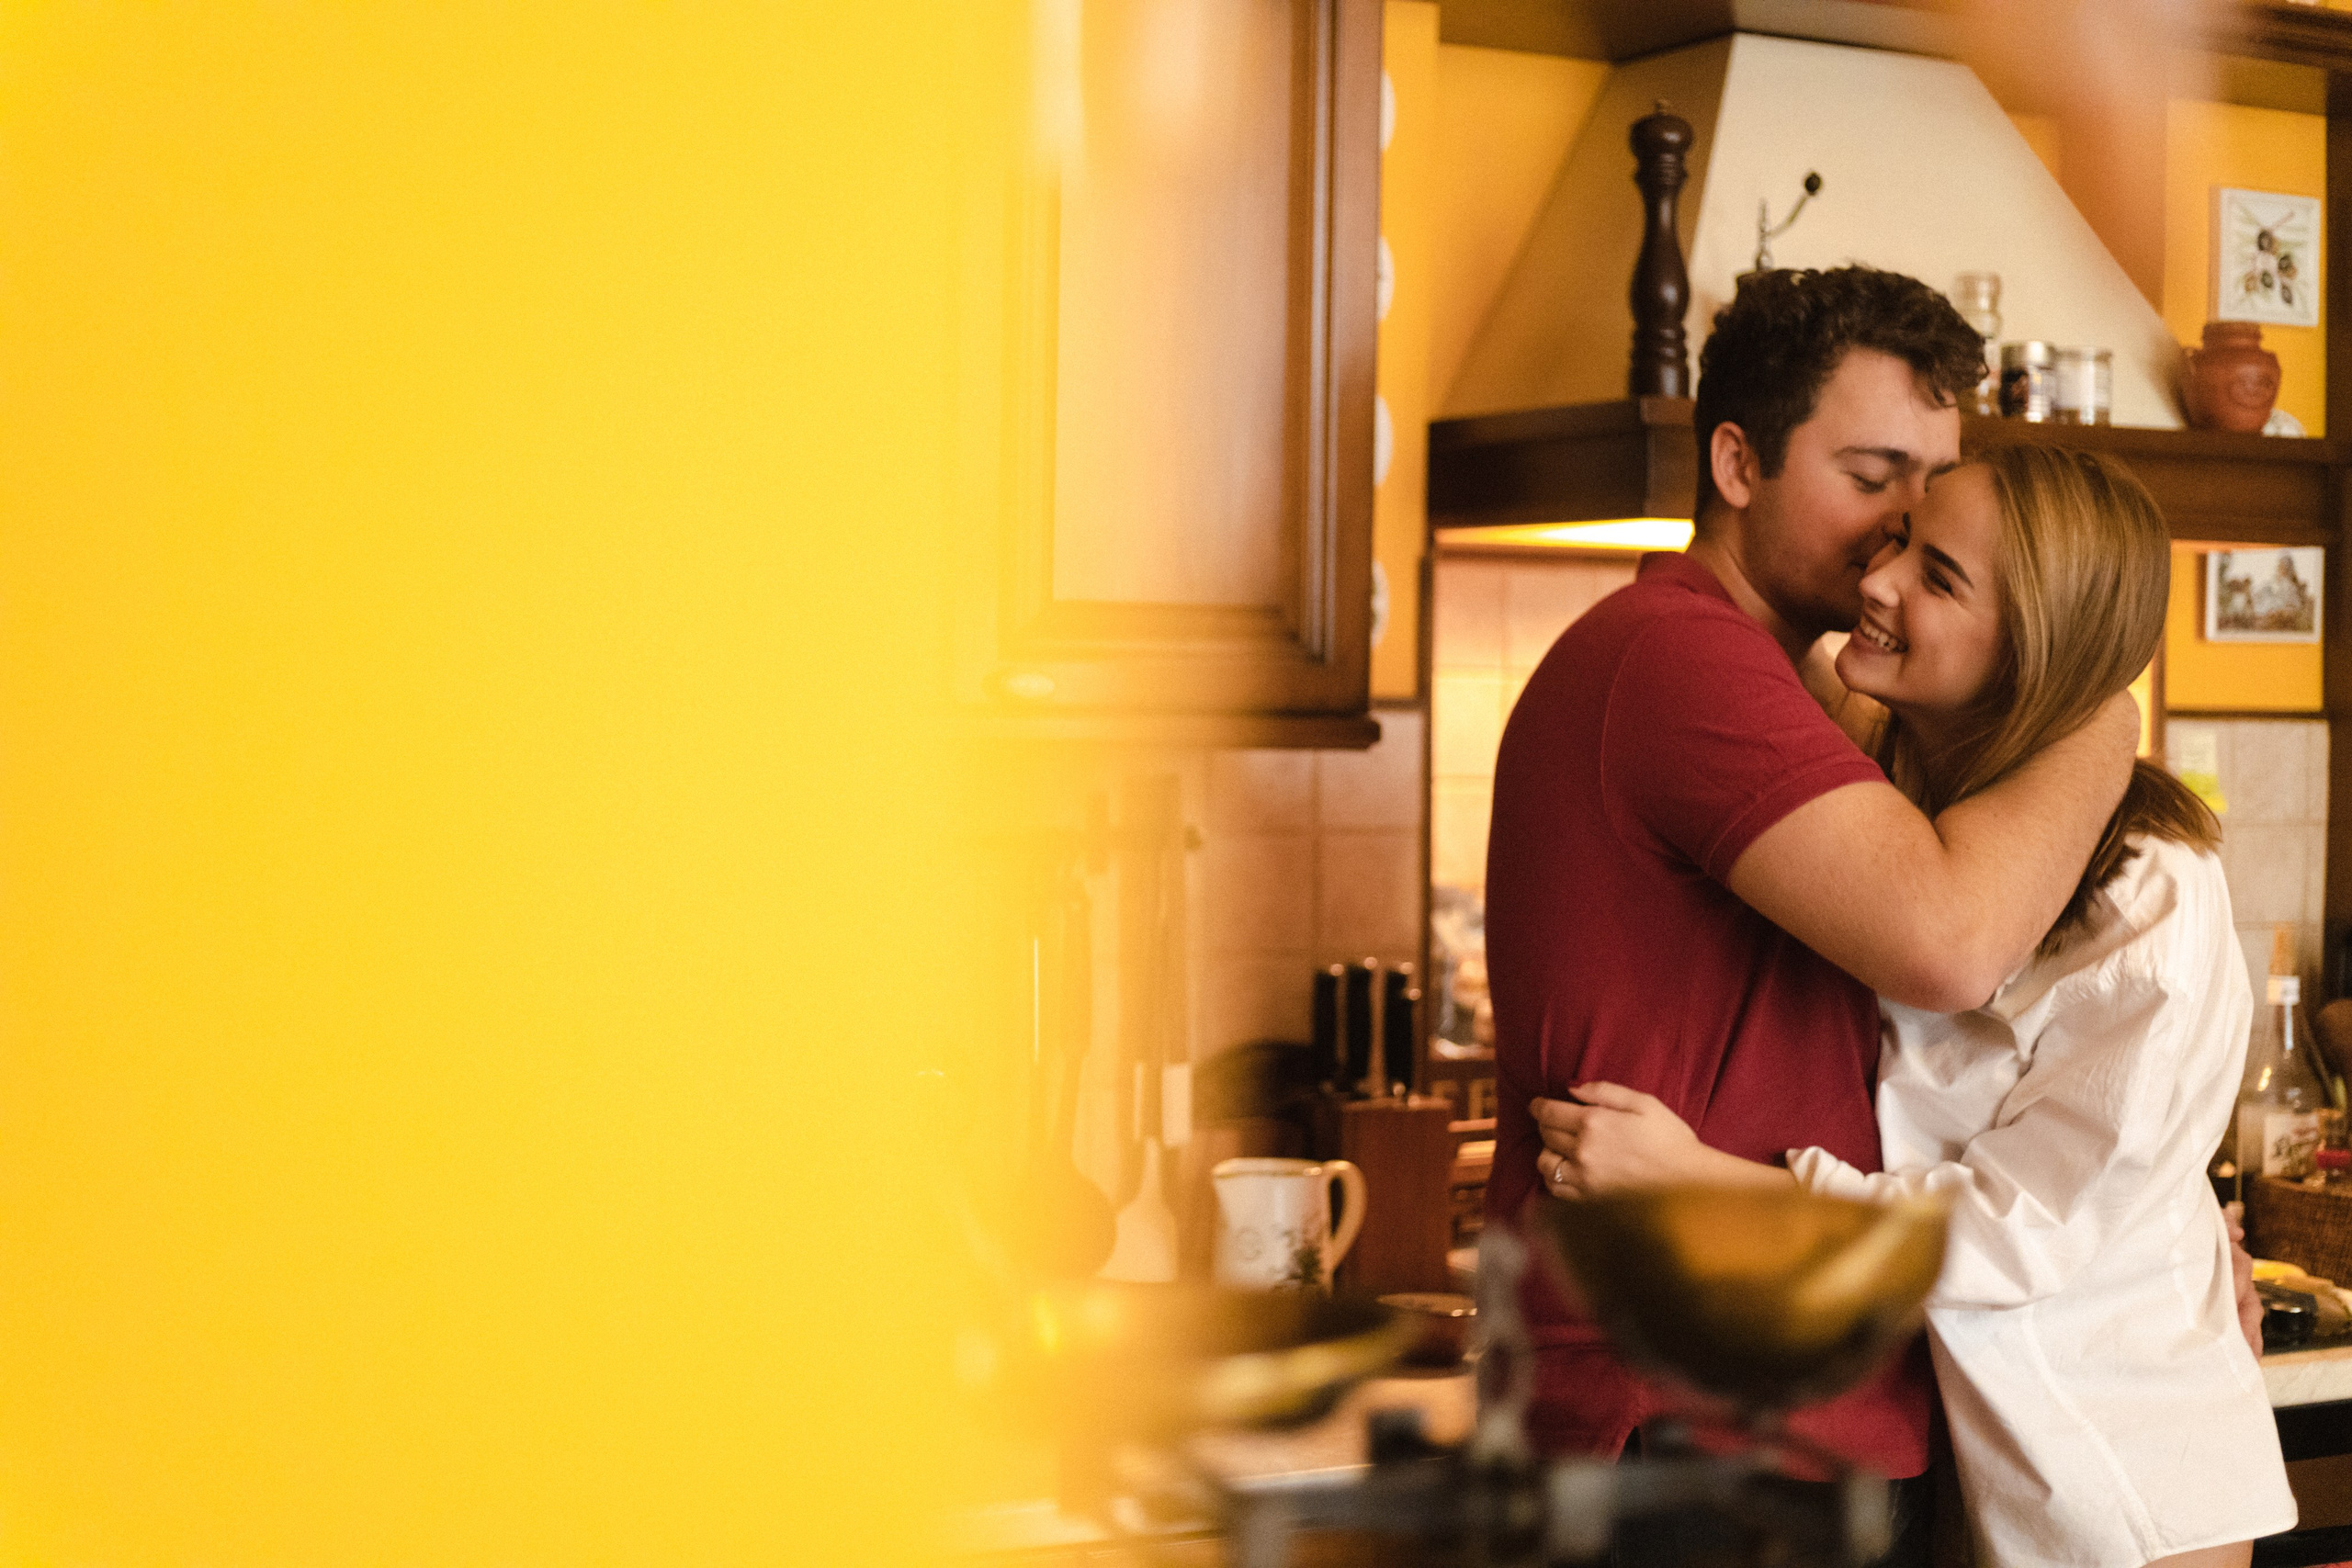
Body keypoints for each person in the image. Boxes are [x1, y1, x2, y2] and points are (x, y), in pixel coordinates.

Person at [1532, 446, 2297, 1568]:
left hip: (2119, 1489)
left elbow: (2016, 1231)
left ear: (2031, 649)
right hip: (1979, 1469)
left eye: (1938, 577)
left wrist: (1704, 1186)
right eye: (1896, 541)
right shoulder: (1897, 818)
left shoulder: (2151, 896)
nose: (1879, 579)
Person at [1481, 267, 2143, 1535]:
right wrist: (2102, 703)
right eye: (1871, 474)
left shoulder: (1789, 685)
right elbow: (1950, 941)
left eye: (1928, 485)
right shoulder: (1680, 657)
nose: (1903, 528)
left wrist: (2158, 1228)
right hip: (1701, 1418)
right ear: (1737, 461)